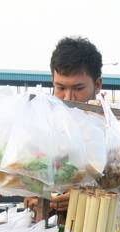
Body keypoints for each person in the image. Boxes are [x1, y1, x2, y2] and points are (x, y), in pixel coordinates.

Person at [24, 36, 105, 220]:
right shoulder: (44, 129)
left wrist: (85, 197)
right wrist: (34, 197)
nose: (68, 97)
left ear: (97, 85)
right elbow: (29, 183)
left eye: (78, 88)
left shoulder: (114, 133)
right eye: (60, 87)